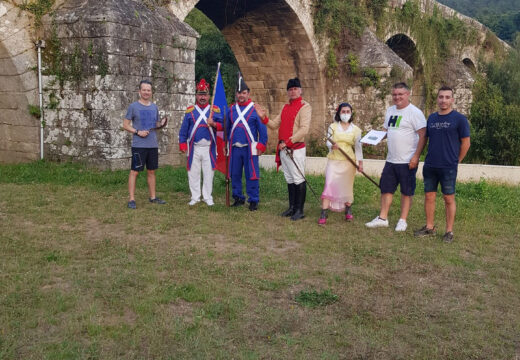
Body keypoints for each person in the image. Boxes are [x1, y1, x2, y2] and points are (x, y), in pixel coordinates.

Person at [365, 82, 426, 231]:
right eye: (394, 94)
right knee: (386, 189)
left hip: (407, 160)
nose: (397, 97)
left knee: (406, 191)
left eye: (400, 94)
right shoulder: (390, 110)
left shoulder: (415, 113)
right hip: (391, 159)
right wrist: (372, 139)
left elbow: (423, 136)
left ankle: (402, 220)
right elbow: (386, 131)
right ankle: (382, 218)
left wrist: (416, 157)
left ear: (408, 94)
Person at [414, 86, 470, 242]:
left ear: (452, 99)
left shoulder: (459, 119)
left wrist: (457, 160)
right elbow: (425, 139)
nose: (443, 100)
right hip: (430, 165)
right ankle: (429, 227)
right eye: (441, 97)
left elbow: (466, 142)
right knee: (429, 196)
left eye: (447, 97)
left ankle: (449, 231)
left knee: (448, 198)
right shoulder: (431, 118)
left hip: (448, 167)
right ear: (437, 99)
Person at [256, 78, 312, 221]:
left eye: (295, 89)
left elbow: (304, 129)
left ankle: (300, 210)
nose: (292, 91)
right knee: (289, 178)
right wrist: (264, 118)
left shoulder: (305, 107)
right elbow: (275, 125)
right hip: (284, 148)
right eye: (290, 89)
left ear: (300, 90)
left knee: (298, 178)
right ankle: (292, 207)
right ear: (287, 92)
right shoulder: (285, 107)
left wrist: (288, 142)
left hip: (295, 149)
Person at [123, 79, 167, 209]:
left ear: (151, 92)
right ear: (139, 91)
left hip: (152, 145)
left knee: (151, 171)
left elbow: (156, 124)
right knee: (135, 171)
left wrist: (162, 123)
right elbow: (125, 125)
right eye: (144, 90)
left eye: (149, 90)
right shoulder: (133, 107)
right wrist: (137, 132)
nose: (146, 92)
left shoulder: (154, 107)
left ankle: (153, 197)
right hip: (139, 145)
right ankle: (131, 199)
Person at [226, 73, 268, 211]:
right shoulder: (231, 109)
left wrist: (262, 144)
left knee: (252, 175)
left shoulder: (255, 109)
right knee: (235, 174)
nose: (241, 95)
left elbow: (262, 129)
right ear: (236, 94)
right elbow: (226, 127)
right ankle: (238, 197)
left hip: (250, 148)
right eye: (239, 93)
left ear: (248, 93)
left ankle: (253, 200)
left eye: (244, 93)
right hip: (235, 148)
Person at [179, 79, 223, 206]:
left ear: (209, 96)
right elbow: (184, 130)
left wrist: (213, 123)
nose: (202, 97)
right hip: (194, 147)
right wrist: (182, 144)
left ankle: (208, 196)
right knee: (193, 172)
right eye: (200, 94)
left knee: (209, 173)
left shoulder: (214, 110)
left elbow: (223, 126)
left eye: (204, 94)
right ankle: (195, 196)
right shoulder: (190, 111)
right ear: (196, 95)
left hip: (209, 147)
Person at [318, 103, 363, 225]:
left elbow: (358, 148)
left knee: (347, 186)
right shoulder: (332, 126)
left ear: (351, 113)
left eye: (348, 111)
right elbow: (327, 141)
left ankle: (348, 208)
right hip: (334, 160)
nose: (346, 114)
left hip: (349, 162)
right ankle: (324, 211)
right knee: (329, 184)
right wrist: (332, 145)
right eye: (343, 111)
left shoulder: (356, 130)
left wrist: (360, 163)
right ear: (339, 113)